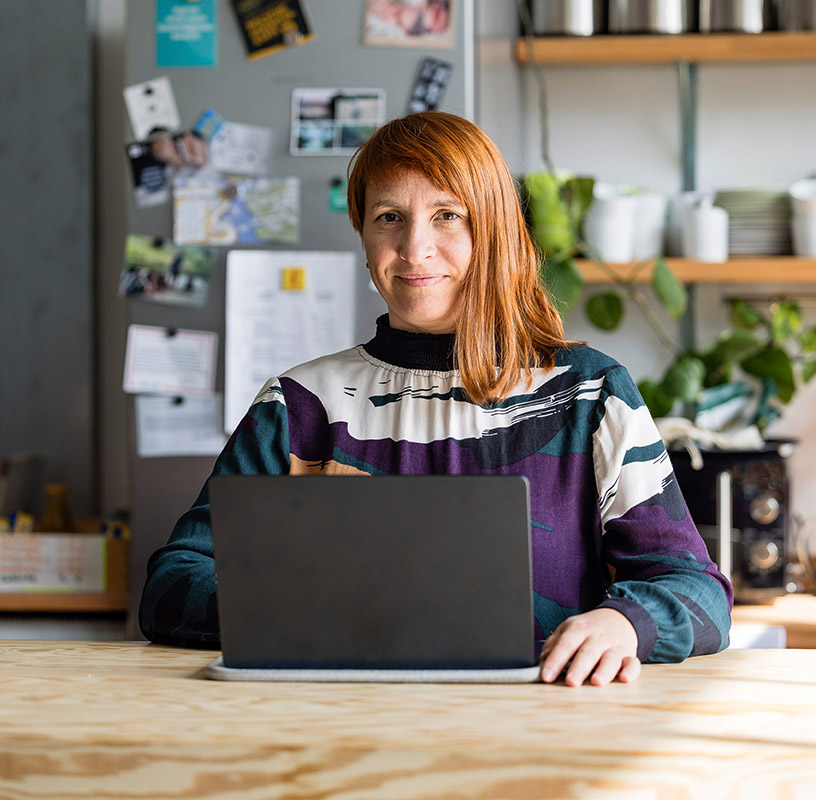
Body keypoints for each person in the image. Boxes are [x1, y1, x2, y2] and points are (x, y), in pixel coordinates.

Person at [139, 111, 733, 686]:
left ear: (492, 230)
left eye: (447, 215)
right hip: (332, 735)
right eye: (389, 217)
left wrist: (625, 623)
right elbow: (172, 584)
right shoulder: (298, 407)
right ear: (364, 234)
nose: (415, 247)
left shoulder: (589, 394)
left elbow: (697, 589)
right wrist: (312, 610)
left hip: (538, 736)